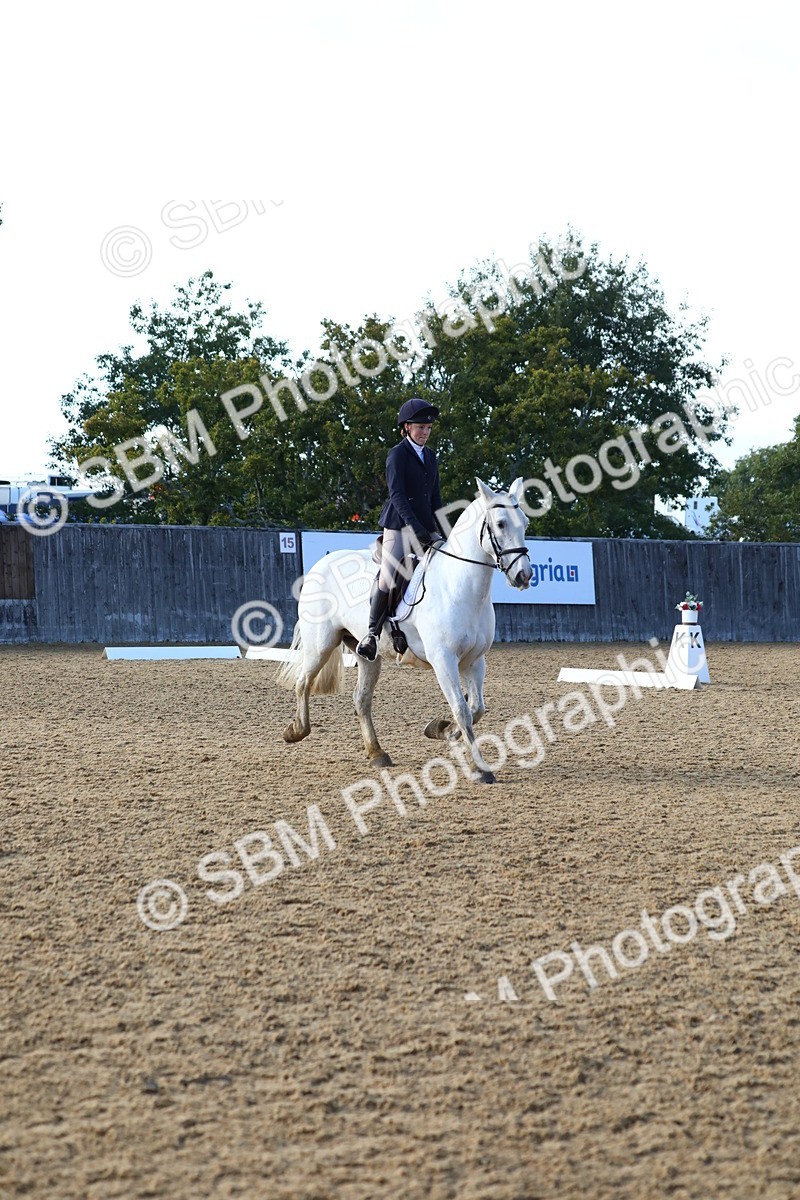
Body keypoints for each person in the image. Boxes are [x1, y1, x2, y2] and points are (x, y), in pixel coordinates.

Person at [356, 398, 445, 661]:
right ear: (406, 427)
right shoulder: (397, 454)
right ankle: (372, 634)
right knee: (389, 575)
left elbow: (435, 498)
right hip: (398, 524)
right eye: (420, 428)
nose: (425, 432)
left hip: (425, 526)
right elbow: (397, 495)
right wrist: (415, 528)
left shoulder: (430, 456)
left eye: (428, 428)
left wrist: (443, 531)